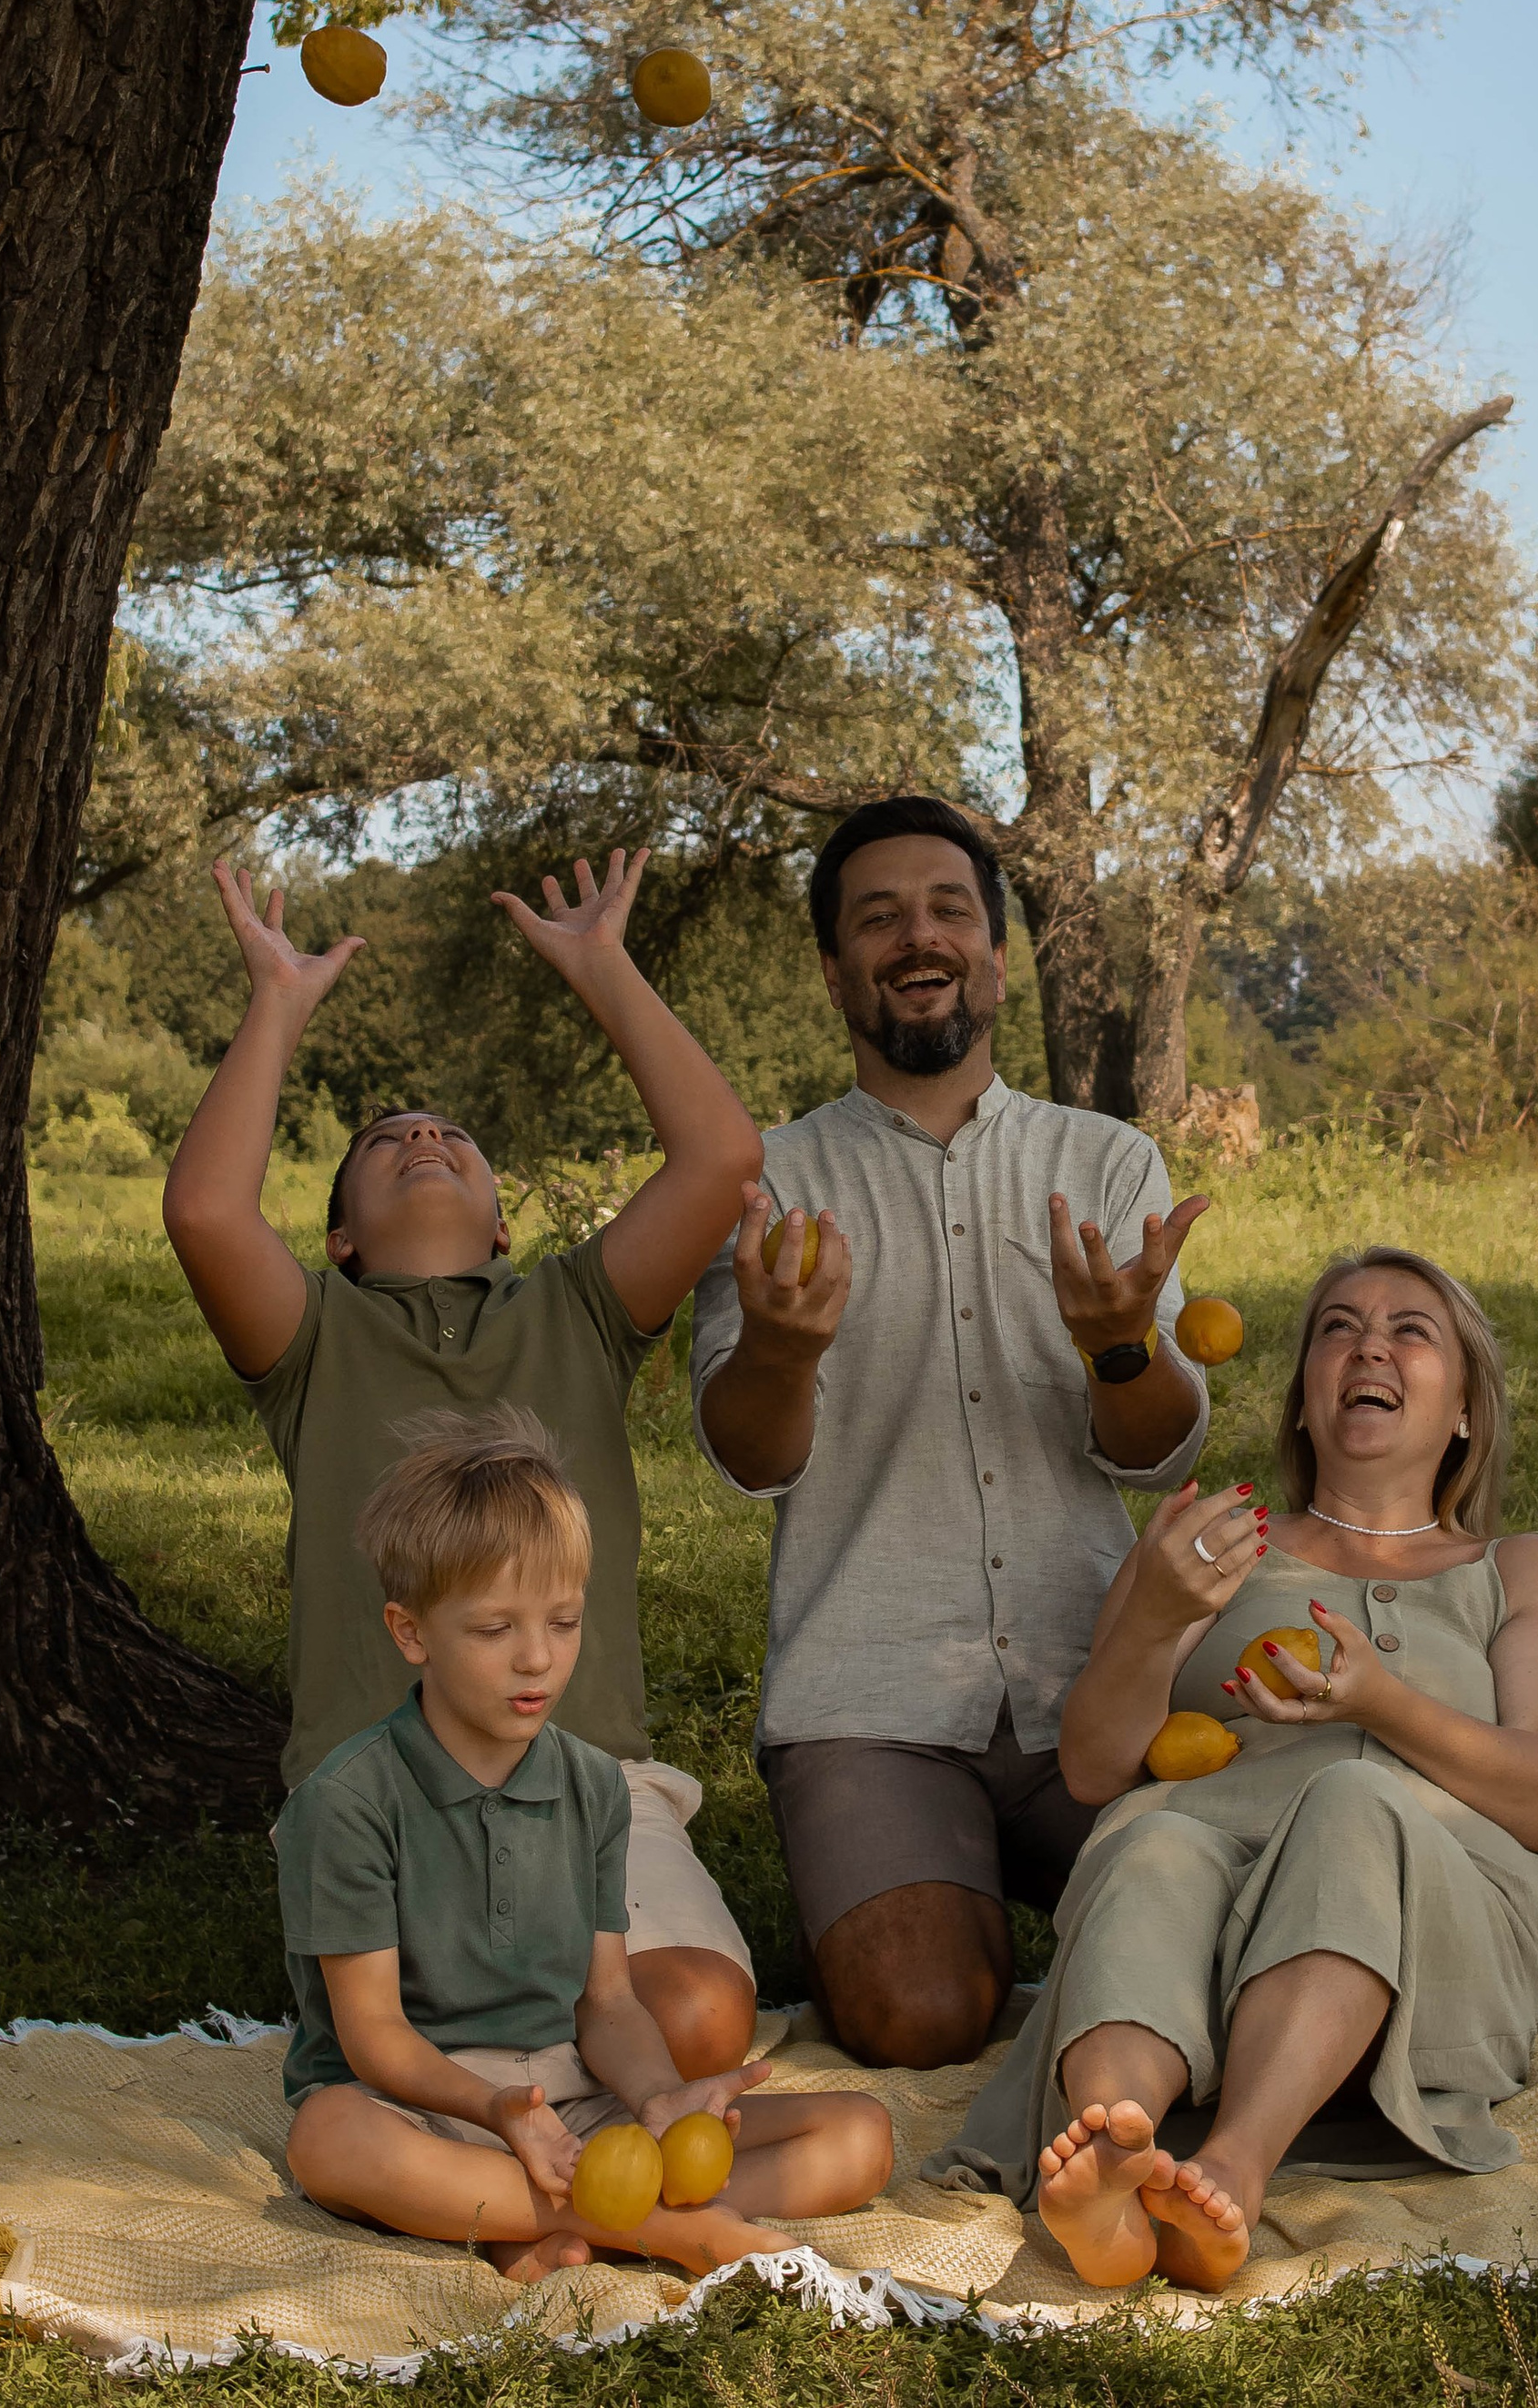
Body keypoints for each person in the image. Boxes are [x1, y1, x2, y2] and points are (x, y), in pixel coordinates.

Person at [163, 846, 762, 2077]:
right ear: (340, 1238)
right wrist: (276, 1004)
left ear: (500, 1225)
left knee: (699, 2018)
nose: (425, 1136)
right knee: (431, 2047)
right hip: (387, 1808)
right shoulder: (312, 1339)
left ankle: (515, 2086)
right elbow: (207, 1213)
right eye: (387, 1139)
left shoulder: (580, 1311)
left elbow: (718, 1162)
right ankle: (525, 2089)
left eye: (451, 1136)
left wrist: (603, 968)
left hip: (592, 1790)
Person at [930, 1248, 1538, 2292]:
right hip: (1200, 1931)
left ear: (1467, 1409)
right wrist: (1155, 1615)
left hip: (1432, 1939)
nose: (1367, 1347)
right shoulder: (1207, 1547)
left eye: (1409, 1330)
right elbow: (1095, 1768)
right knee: (1152, 1838)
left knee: (1354, 1799)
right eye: (1337, 1328)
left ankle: (1232, 2168)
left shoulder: (1520, 1569)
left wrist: (1381, 1704)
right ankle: (1113, 2156)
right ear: (1302, 1400)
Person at [689, 796, 1212, 2071]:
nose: (916, 937)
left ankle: (1031, 1904)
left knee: (1233, 1946)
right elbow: (750, 1456)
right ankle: (913, 1886)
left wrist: (1119, 1347)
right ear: (834, 971)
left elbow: (1160, 1451)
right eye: (878, 919)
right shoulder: (766, 1185)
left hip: (1093, 1679)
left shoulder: (1108, 1161)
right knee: (919, 2016)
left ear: (995, 954)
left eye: (947, 911)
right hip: (865, 1700)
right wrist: (781, 1352)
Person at [279, 1410, 893, 2282]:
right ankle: (672, 2233)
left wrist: (657, 2098)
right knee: (327, 2139)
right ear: (411, 1632)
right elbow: (374, 2035)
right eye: (495, 1630)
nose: (537, 1659)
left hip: (573, 2107)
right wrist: (500, 2110)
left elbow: (606, 2003)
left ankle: (540, 2226)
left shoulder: (595, 1786)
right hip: (421, 2106)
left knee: (860, 2133)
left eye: (562, 1622)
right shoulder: (347, 1802)